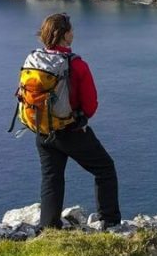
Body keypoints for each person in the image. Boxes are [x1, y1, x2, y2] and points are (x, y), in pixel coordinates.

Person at [33, 13, 121, 229]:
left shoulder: (36, 60)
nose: (73, 33)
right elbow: (90, 105)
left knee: (51, 179)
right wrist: (79, 119)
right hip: (70, 130)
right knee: (105, 168)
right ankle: (109, 222)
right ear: (64, 35)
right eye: (71, 30)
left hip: (42, 130)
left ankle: (49, 229)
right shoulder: (76, 65)